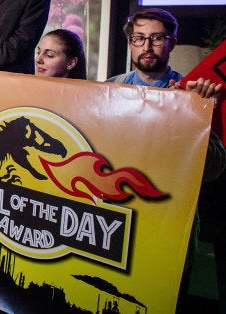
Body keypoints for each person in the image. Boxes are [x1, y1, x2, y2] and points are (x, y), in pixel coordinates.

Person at [105, 8, 224, 312]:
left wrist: (196, 113)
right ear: (130, 43)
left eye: (156, 38)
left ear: (172, 42)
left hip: (170, 225)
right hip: (117, 220)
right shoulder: (108, 89)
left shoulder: (194, 91)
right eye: (138, 38)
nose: (146, 47)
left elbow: (212, 170)